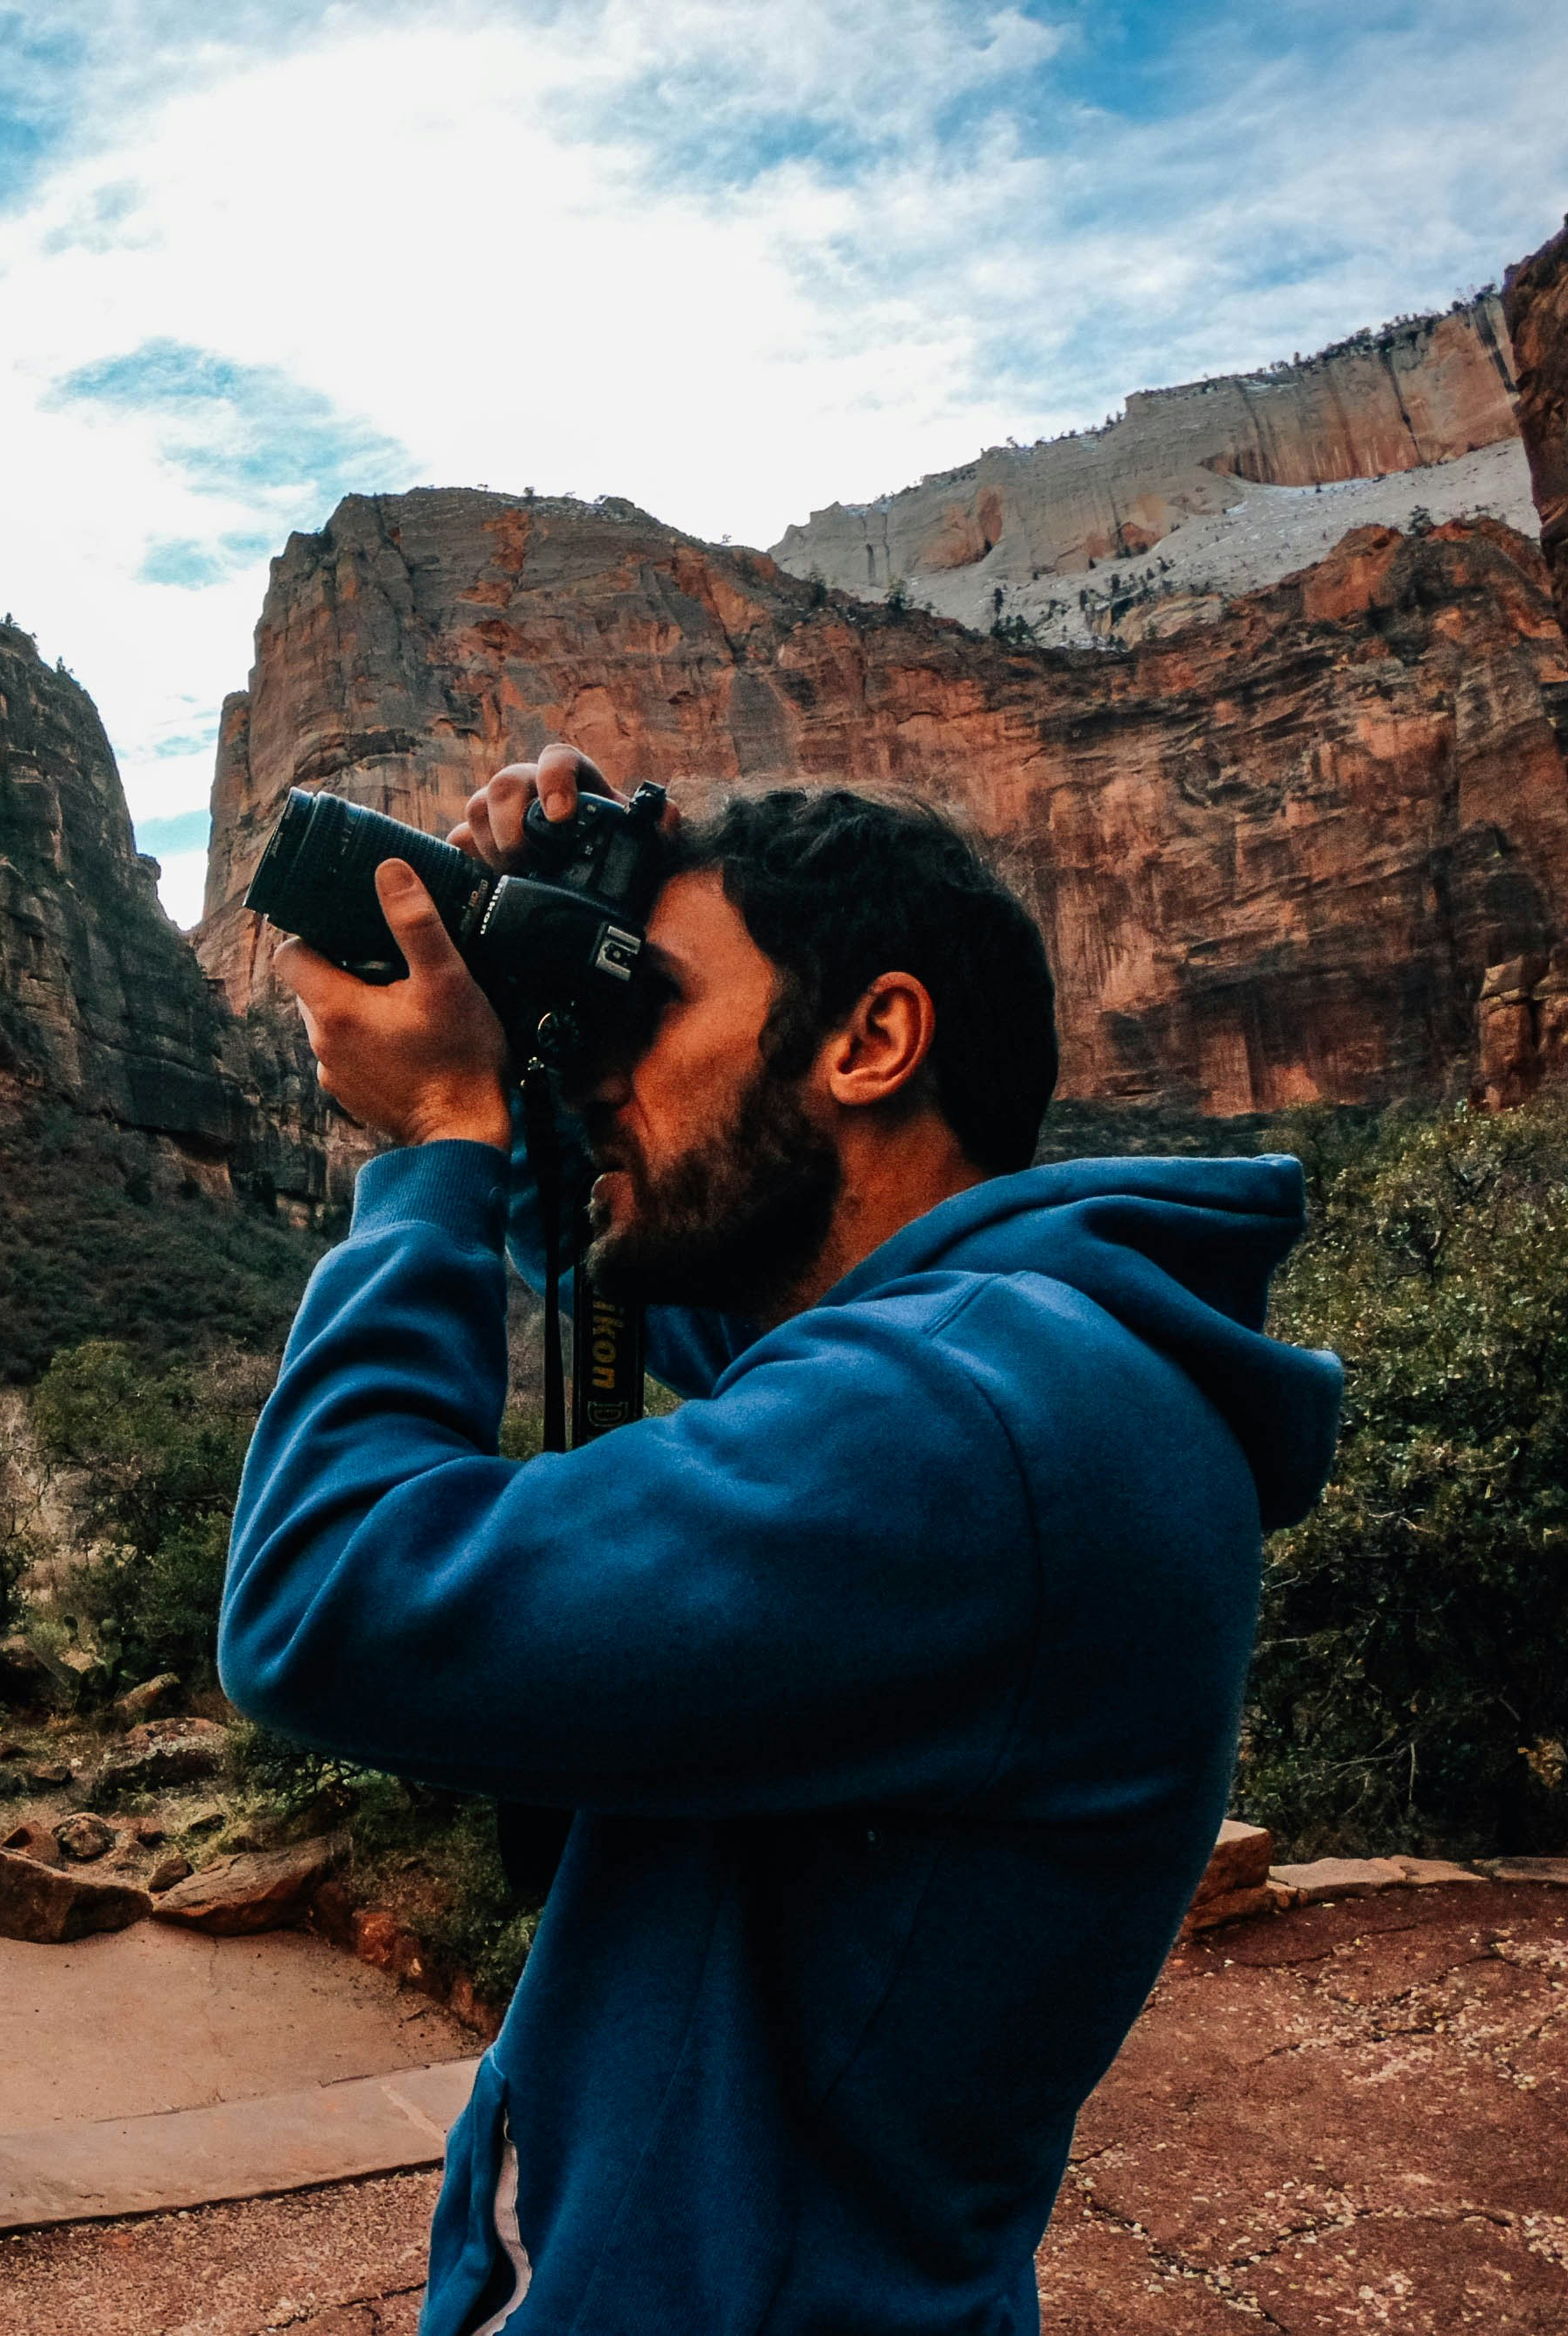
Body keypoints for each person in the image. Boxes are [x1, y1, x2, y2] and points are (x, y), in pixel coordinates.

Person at [221, 745, 1345, 2336]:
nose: (613, 1074)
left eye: (655, 1010)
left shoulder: (966, 1424)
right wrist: (541, 999)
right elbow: (675, 1242)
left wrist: (436, 1150)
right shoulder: (1021, 1366)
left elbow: (324, 1598)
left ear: (874, 1039)